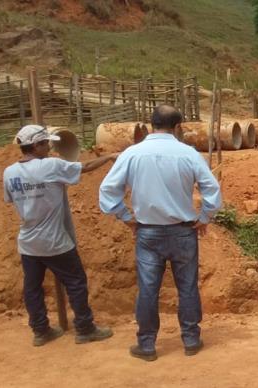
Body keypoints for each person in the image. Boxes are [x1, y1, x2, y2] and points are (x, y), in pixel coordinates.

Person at [99, 105, 221, 362]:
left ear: (151, 124)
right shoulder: (188, 153)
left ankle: (146, 345)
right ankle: (191, 340)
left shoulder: (132, 154)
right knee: (187, 287)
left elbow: (108, 191)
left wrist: (126, 218)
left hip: (148, 234)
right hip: (183, 232)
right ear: (177, 127)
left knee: (148, 289)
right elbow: (212, 189)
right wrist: (205, 217)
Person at [3, 124, 117, 347]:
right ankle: (85, 328)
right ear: (36, 145)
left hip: (28, 242)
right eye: (47, 143)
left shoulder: (9, 172)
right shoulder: (50, 166)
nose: (50, 148)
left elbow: (11, 200)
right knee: (75, 282)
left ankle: (40, 330)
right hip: (55, 241)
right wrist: (110, 156)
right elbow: (84, 167)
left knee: (32, 288)